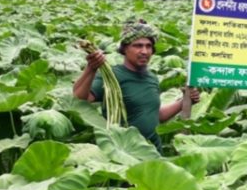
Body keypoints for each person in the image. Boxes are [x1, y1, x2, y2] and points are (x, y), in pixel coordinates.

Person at [72, 20, 200, 152]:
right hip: (124, 152)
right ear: (125, 49)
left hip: (153, 153)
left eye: (148, 46)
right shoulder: (112, 75)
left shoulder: (152, 78)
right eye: (138, 46)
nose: (144, 51)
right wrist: (91, 68)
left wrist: (184, 101)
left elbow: (156, 115)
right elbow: (80, 98)